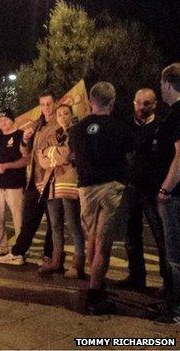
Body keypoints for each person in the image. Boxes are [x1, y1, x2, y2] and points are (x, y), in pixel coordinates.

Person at [69, 82, 133, 315]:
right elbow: (130, 157)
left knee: (91, 240)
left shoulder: (76, 130)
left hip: (86, 189)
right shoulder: (121, 128)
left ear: (90, 102)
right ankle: (96, 294)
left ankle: (94, 286)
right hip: (111, 188)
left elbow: (73, 158)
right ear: (113, 102)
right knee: (103, 244)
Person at [0, 91, 56, 265]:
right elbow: (26, 153)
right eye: (42, 104)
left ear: (55, 103)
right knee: (29, 218)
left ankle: (50, 256)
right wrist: (24, 140)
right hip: (34, 178)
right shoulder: (37, 124)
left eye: (48, 104)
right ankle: (18, 252)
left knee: (54, 221)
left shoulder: (58, 123)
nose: (45, 108)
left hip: (51, 178)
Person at [120, 88, 168, 291]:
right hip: (131, 188)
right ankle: (136, 277)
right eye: (139, 102)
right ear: (133, 103)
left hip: (152, 190)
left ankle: (168, 282)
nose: (142, 107)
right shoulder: (125, 126)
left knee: (161, 238)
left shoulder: (162, 127)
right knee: (131, 235)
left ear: (154, 105)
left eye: (147, 103)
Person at [35, 104, 84, 278]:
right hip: (52, 184)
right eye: (60, 114)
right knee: (55, 225)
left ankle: (78, 264)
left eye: (66, 113)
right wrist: (52, 154)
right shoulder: (56, 134)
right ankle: (57, 260)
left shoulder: (77, 132)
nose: (63, 117)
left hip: (69, 183)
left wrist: (51, 153)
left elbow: (67, 155)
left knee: (73, 224)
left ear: (72, 115)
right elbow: (40, 156)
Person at [153, 63, 180, 325]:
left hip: (174, 196)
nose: (160, 89)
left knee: (175, 256)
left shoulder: (177, 114)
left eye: (161, 84)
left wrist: (165, 189)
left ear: (169, 84)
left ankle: (176, 309)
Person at [0, 109, 28, 257]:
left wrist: (5, 166)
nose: (2, 122)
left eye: (5, 119)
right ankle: (0, 247)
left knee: (19, 218)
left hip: (15, 184)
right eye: (0, 120)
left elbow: (26, 160)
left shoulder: (20, 136)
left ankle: (20, 249)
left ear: (12, 120)